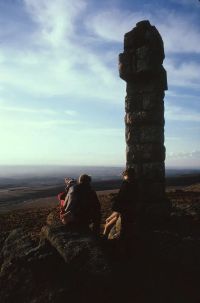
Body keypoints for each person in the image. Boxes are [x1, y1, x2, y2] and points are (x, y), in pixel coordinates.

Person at [104, 168, 139, 239]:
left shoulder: (126, 184)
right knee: (108, 223)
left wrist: (115, 200)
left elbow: (121, 198)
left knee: (107, 226)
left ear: (126, 175)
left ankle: (105, 240)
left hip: (123, 211)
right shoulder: (136, 184)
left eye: (124, 175)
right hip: (127, 210)